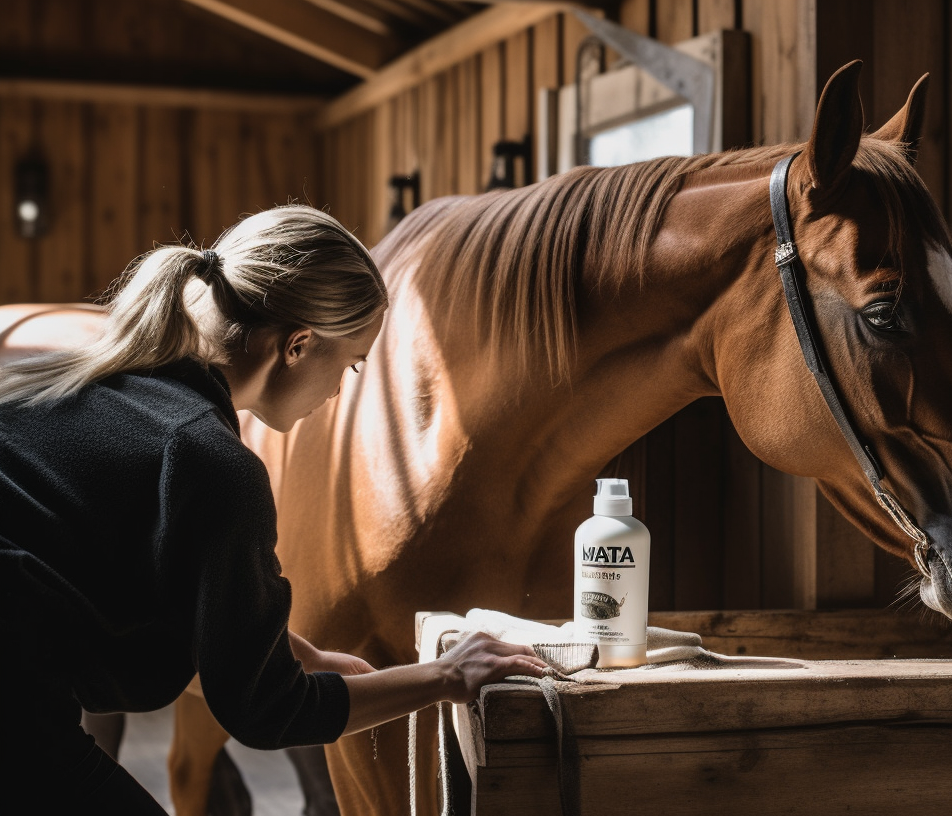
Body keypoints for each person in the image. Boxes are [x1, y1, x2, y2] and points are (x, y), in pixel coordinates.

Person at [0, 205, 547, 813]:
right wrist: (449, 674)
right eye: (350, 364)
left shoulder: (77, 388)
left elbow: (108, 582)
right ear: (298, 345)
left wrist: (281, 648)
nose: (341, 389)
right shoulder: (210, 461)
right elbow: (266, 712)